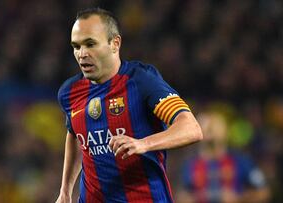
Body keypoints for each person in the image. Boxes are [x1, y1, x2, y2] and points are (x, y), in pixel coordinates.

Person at [56, 8, 203, 203]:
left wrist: (143, 143)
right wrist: (65, 191)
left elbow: (191, 128)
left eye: (90, 44)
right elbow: (75, 134)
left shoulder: (141, 80)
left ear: (115, 43)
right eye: (76, 46)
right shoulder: (69, 92)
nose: (82, 54)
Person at [176, 110, 270, 203]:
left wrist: (239, 198)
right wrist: (198, 198)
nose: (210, 129)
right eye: (207, 126)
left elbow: (263, 192)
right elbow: (180, 196)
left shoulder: (241, 160)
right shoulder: (190, 164)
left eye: (214, 125)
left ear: (224, 130)